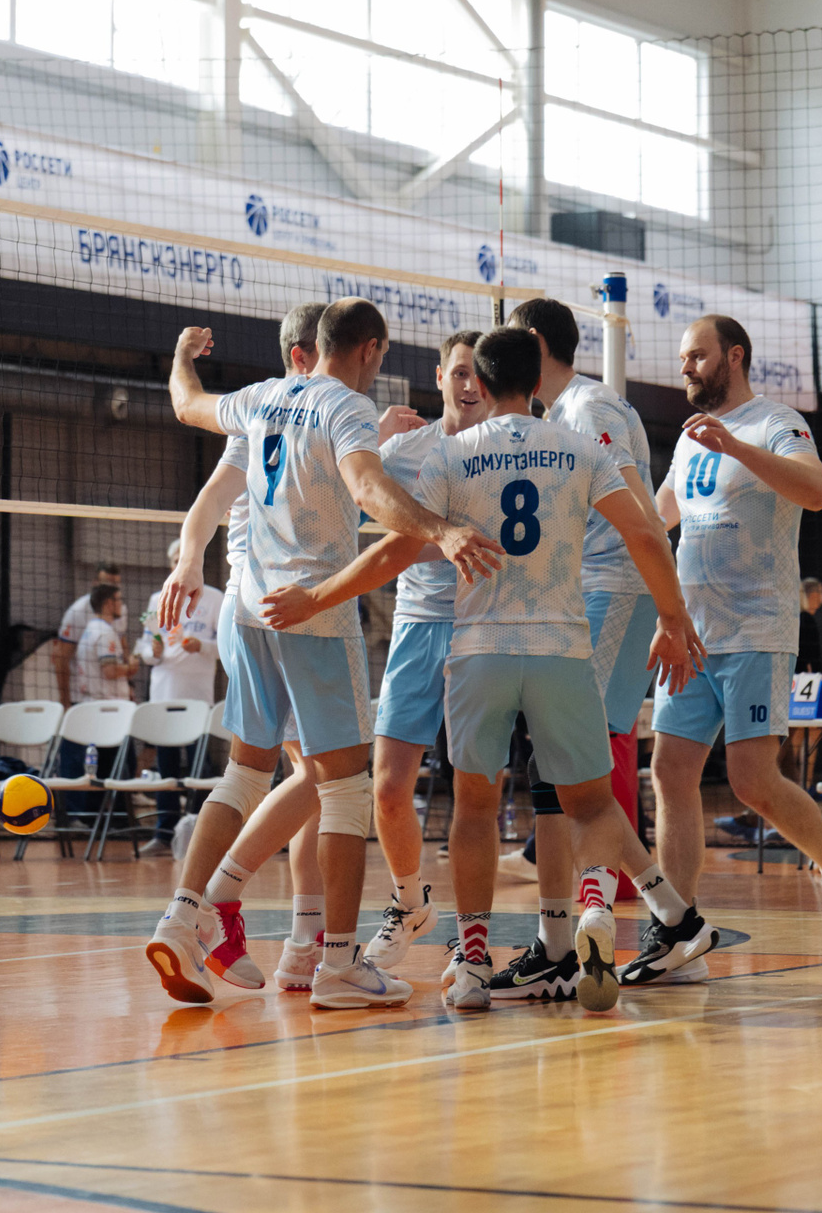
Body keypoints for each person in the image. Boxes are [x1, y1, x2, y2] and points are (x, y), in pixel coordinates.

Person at [262, 326, 710, 1012]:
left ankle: (471, 964)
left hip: (479, 651)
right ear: (536, 381)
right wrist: (674, 618)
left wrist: (315, 597)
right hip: (560, 648)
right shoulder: (581, 447)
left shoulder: (451, 454)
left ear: (483, 380)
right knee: (590, 802)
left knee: (474, 806)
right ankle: (593, 907)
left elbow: (394, 551)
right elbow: (646, 531)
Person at [147, 298, 501, 1010]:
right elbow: (369, 488)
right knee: (342, 789)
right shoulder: (345, 408)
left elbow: (186, 405)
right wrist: (441, 530)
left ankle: (183, 921)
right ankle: (337, 964)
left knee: (245, 775)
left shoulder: (259, 399)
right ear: (368, 350)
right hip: (313, 610)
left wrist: (182, 358)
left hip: (250, 609)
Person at [648, 314, 822, 974]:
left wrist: (736, 448)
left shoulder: (775, 422)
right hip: (692, 632)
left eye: (697, 356)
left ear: (734, 356)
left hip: (755, 628)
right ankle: (678, 931)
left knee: (751, 780)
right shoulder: (689, 439)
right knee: (669, 771)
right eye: (683, 358)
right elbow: (656, 518)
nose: (685, 367)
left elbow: (818, 491)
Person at [492, 297, 664, 977]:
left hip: (613, 587)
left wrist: (673, 611)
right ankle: (669, 919)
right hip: (593, 590)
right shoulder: (558, 415)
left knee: (566, 761)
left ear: (535, 344)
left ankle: (568, 937)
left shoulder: (589, 409)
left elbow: (639, 516)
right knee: (568, 763)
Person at [360, 328, 486, 970]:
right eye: (458, 372)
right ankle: (410, 902)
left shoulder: (511, 451)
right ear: (439, 377)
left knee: (475, 794)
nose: (468, 384)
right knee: (387, 788)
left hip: (487, 631)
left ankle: (472, 939)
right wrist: (372, 436)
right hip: (416, 625)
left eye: (478, 373)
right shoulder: (402, 450)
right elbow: (346, 497)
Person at [136, 538, 221, 854]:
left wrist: (202, 646)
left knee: (200, 766)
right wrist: (153, 651)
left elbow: (226, 647)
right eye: (174, 562)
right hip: (164, 694)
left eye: (182, 560)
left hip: (198, 698)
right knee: (166, 767)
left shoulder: (214, 598)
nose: (178, 567)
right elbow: (146, 649)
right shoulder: (157, 598)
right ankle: (164, 833)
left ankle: (199, 832)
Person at [55, 562, 121, 706]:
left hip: (112, 696)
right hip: (82, 696)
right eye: (107, 583)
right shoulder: (77, 612)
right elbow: (60, 658)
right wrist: (65, 702)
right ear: (95, 583)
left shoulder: (120, 608)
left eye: (116, 584)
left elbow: (122, 644)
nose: (112, 588)